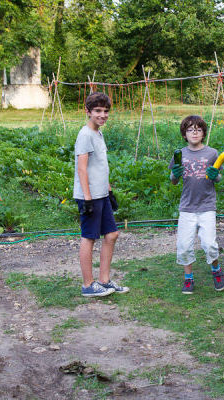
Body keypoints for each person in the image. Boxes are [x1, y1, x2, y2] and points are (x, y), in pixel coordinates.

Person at [73, 92, 129, 297]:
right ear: (87, 112)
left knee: (112, 234)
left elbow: (100, 166)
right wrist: (87, 199)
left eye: (105, 111)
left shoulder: (98, 133)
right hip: (90, 196)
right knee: (89, 237)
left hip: (101, 194)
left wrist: (109, 189)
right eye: (97, 111)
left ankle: (104, 281)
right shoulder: (85, 134)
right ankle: (88, 285)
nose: (102, 115)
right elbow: (82, 168)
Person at [169, 115, 224, 294]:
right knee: (184, 246)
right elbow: (173, 181)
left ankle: (216, 270)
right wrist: (175, 174)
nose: (194, 132)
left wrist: (214, 174)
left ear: (203, 133)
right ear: (184, 134)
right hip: (187, 207)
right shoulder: (180, 154)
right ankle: (188, 278)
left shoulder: (212, 153)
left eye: (198, 129)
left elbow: (218, 178)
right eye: (190, 129)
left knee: (209, 244)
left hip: (207, 206)